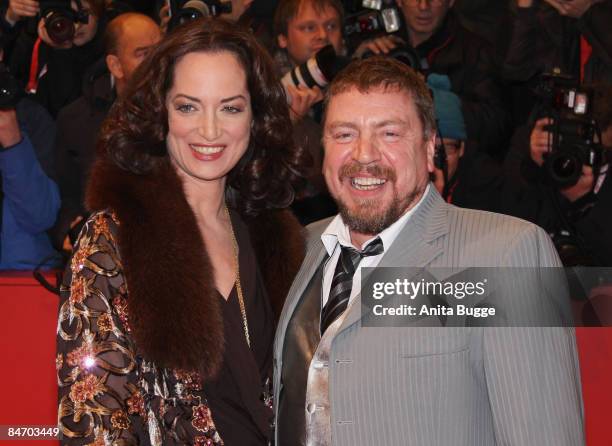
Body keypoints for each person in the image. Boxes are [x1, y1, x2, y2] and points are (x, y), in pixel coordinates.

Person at [273, 57, 584, 445]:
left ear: (429, 146)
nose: (364, 155)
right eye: (344, 134)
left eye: (389, 133)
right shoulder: (299, 248)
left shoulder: (506, 254)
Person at [56, 18, 305, 445]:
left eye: (231, 107)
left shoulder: (272, 233)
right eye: (188, 106)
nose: (209, 131)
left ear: (256, 117)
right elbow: (95, 418)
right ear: (161, 112)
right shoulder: (114, 238)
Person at [50, 12, 162, 252]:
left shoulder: (185, 113)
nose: (158, 62)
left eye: (161, 51)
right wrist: (67, 228)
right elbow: (64, 195)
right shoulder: (74, 120)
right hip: (101, 254)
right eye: (143, 54)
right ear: (115, 65)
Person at [353, 0, 511, 156]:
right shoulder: (375, 43)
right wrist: (359, 64)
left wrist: (431, 98)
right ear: (399, 1)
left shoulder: (476, 52)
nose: (423, 6)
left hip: (454, 167)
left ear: (450, 2)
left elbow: (496, 128)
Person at [5, 0, 107, 117]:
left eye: (82, 14)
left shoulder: (108, 55)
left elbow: (65, 111)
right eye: (65, 15)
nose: (76, 26)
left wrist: (61, 49)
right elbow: (10, 78)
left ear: (99, 13)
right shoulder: (36, 42)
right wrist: (11, 18)